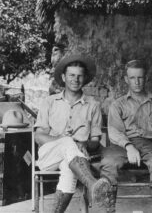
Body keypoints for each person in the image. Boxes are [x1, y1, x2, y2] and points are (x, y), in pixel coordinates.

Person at [100, 59, 152, 213]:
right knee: (108, 162)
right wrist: (129, 146)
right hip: (121, 145)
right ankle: (110, 210)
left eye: (140, 77)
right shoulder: (118, 104)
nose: (137, 82)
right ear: (126, 80)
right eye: (132, 78)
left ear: (146, 78)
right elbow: (114, 132)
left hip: (150, 145)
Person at [34, 54, 111, 212]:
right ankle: (92, 184)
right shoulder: (49, 102)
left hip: (76, 160)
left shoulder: (93, 105)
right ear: (63, 77)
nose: (75, 80)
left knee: (69, 170)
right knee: (68, 142)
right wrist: (62, 139)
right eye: (71, 75)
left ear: (85, 78)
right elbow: (38, 137)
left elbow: (96, 140)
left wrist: (84, 144)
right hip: (49, 156)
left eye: (79, 76)